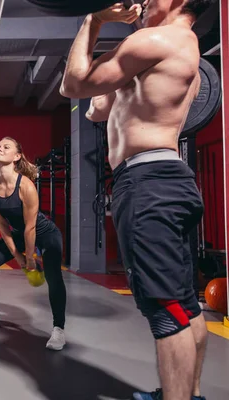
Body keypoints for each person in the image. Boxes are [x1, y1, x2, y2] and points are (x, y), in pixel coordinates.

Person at [59, 1, 212, 399]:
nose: (141, 2)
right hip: (168, 179)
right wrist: (117, 86)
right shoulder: (178, 46)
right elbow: (96, 110)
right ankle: (187, 394)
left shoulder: (159, 39)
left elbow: (72, 85)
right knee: (184, 303)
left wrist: (93, 19)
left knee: (168, 311)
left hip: (147, 183)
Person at [0, 137, 68, 351]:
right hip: (19, 234)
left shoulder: (26, 186)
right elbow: (2, 225)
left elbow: (31, 227)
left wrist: (30, 259)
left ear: (17, 156)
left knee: (52, 275)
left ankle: (59, 329)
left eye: (6, 147)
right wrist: (19, 256)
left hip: (45, 233)